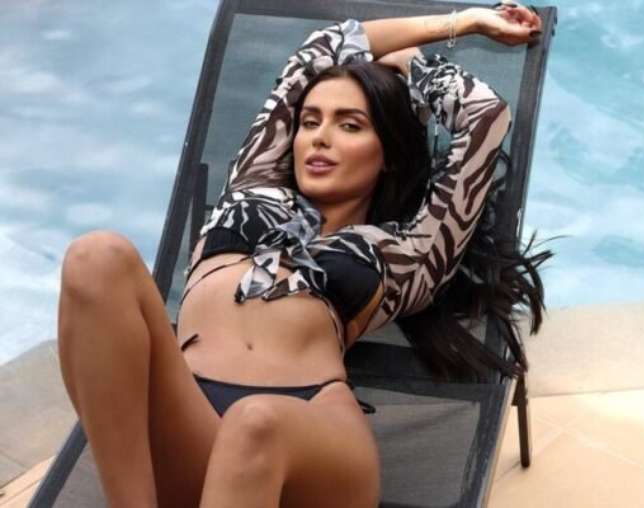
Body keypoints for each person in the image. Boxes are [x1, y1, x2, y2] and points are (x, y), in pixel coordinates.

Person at [56, 2, 548, 507]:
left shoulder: (407, 251)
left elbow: (485, 116)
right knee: (96, 257)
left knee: (255, 422)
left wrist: (410, 62)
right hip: (187, 413)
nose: (320, 138)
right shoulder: (252, 182)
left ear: (388, 153)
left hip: (305, 432)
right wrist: (460, 21)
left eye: (350, 126)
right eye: (310, 122)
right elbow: (321, 48)